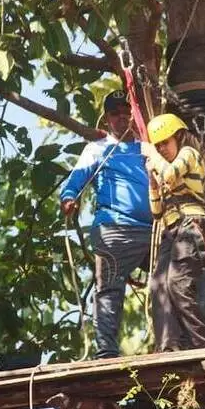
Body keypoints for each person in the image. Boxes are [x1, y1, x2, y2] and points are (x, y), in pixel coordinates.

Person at [59, 90, 152, 359]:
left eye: (126, 112)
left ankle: (175, 343)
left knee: (170, 280)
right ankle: (107, 353)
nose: (122, 117)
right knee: (109, 288)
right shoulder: (98, 149)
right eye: (115, 113)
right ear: (106, 119)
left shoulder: (147, 148)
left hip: (153, 231)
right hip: (115, 230)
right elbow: (75, 182)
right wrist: (69, 199)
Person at [140, 113, 205, 352]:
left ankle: (202, 342)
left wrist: (153, 156)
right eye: (158, 146)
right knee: (158, 285)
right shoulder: (163, 166)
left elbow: (170, 174)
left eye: (165, 143)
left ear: (179, 137)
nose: (161, 149)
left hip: (192, 224)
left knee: (178, 282)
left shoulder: (188, 154)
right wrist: (152, 183)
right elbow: (156, 212)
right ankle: (169, 346)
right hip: (171, 229)